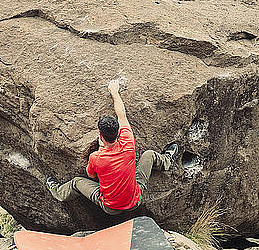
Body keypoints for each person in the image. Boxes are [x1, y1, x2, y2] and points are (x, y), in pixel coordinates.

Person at [46, 79, 178, 215]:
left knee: (76, 182)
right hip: (135, 200)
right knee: (149, 155)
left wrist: (101, 150)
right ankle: (166, 160)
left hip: (111, 208)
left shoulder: (96, 157)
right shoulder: (128, 142)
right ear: (118, 132)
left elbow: (90, 175)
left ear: (101, 137)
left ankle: (58, 192)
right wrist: (114, 91)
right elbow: (122, 114)